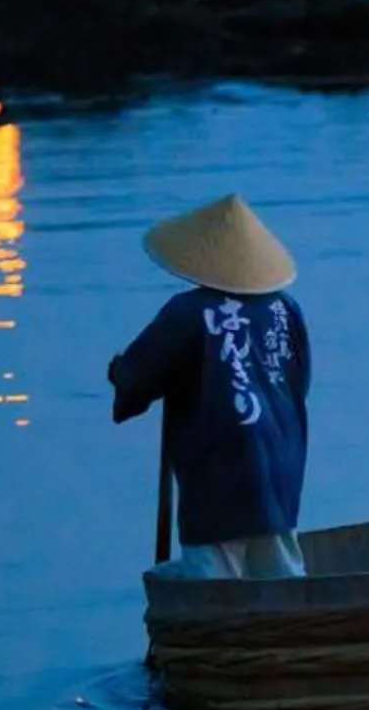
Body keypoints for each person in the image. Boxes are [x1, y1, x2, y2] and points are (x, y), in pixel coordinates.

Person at [109, 194, 311, 578]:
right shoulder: (285, 309)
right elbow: (298, 386)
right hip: (279, 462)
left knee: (213, 582)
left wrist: (119, 374)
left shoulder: (187, 311)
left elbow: (136, 376)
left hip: (217, 471)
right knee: (282, 579)